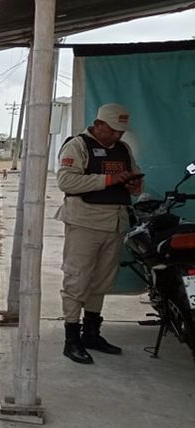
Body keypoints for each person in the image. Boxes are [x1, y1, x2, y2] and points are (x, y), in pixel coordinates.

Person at [56, 103, 143, 364]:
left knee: (101, 282)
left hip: (114, 223)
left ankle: (91, 333)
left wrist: (135, 184)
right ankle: (72, 338)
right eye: (113, 130)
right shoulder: (78, 145)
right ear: (98, 124)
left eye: (121, 132)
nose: (117, 135)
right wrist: (107, 180)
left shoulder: (122, 149)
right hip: (85, 223)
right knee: (77, 280)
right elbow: (66, 181)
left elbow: (135, 178)